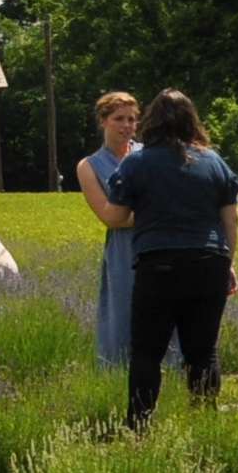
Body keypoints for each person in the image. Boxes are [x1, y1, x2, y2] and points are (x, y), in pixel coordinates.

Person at [119, 90, 238, 423]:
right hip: (209, 260)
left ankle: (139, 426)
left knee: (147, 352)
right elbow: (232, 218)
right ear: (192, 120)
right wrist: (227, 261)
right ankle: (204, 420)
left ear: (151, 121)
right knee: (203, 351)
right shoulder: (214, 161)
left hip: (158, 262)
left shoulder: (137, 162)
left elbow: (117, 216)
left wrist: (147, 212)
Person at [73, 91, 142, 369]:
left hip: (158, 244)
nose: (126, 126)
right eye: (119, 119)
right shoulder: (89, 166)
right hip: (123, 252)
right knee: (123, 315)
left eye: (132, 119)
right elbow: (110, 217)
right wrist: (156, 213)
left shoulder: (147, 154)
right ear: (102, 121)